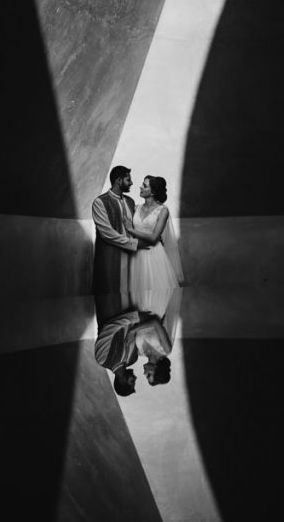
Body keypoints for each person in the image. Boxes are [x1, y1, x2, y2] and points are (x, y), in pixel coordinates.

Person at [125, 176, 185, 316]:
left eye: (144, 186)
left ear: (152, 192)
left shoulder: (163, 211)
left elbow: (153, 238)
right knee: (137, 298)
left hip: (154, 257)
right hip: (136, 256)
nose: (140, 187)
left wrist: (132, 230)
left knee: (155, 302)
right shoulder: (136, 208)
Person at [91, 166, 144, 323]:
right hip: (110, 260)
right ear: (118, 180)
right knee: (109, 305)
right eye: (128, 179)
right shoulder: (99, 202)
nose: (132, 183)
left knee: (132, 300)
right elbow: (107, 234)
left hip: (131, 261)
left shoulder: (130, 201)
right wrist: (134, 243)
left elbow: (134, 227)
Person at [94, 309, 166, 396]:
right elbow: (141, 332)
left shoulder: (102, 359)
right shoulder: (133, 359)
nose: (135, 377)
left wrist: (135, 317)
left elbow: (109, 327)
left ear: (122, 381)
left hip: (111, 306)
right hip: (134, 307)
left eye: (132, 381)